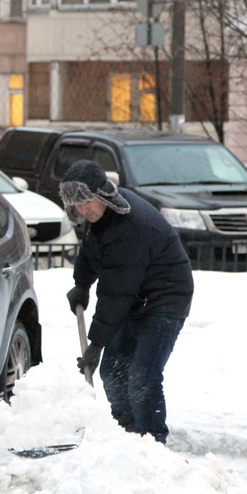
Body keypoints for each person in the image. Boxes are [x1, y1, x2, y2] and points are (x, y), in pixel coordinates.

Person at [59, 160, 194, 444]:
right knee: (113, 372)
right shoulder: (101, 217)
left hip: (165, 299)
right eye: (78, 205)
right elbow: (91, 251)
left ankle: (153, 444)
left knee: (142, 377)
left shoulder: (130, 225)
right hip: (135, 299)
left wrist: (96, 344)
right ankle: (130, 436)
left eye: (87, 202)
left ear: (103, 193)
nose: (84, 210)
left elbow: (115, 292)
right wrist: (81, 284)